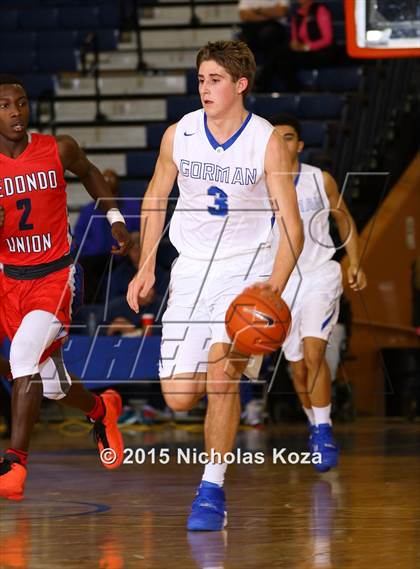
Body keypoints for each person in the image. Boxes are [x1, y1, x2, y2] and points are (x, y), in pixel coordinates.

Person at [127, 41, 304, 531]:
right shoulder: (179, 134)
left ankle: (211, 490)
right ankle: (232, 374)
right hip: (190, 268)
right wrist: (146, 267)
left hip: (244, 266)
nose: (204, 88)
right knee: (180, 397)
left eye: (215, 80)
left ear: (240, 84)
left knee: (222, 374)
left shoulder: (267, 142)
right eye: (201, 79)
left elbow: (292, 225)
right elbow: (156, 197)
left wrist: (274, 286)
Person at [0, 75, 132, 501]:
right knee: (48, 384)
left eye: (21, 103)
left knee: (22, 358)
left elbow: (91, 172)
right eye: (5, 106)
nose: (16, 112)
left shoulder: (59, 149)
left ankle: (15, 463)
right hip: (8, 281)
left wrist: (114, 219)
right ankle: (103, 410)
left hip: (54, 279)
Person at [269, 113, 367, 471]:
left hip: (319, 274)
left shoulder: (318, 178)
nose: (283, 143)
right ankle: (315, 425)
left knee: (314, 353)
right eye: (276, 138)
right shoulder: (260, 184)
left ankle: (324, 429)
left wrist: (354, 261)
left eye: (289, 137)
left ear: (300, 144)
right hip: (282, 281)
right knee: (297, 371)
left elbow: (343, 219)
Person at [73, 168, 140, 302]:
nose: (110, 197)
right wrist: (94, 250)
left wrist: (131, 241)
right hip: (95, 259)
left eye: (113, 193)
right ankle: (91, 308)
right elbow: (79, 239)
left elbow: (140, 231)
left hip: (123, 256)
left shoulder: (132, 206)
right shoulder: (88, 210)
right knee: (82, 267)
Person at [257, 0, 335, 91]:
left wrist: (306, 47)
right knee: (280, 58)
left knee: (279, 56)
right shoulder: (297, 15)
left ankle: (261, 84)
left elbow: (327, 39)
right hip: (304, 53)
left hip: (321, 52)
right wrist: (295, 45)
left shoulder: (320, 10)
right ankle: (295, 88)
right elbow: (295, 39)